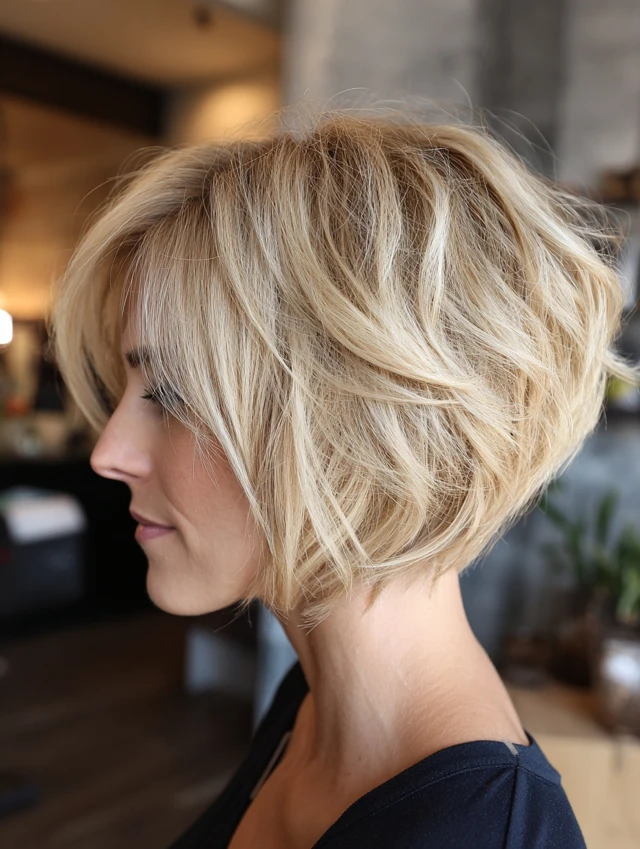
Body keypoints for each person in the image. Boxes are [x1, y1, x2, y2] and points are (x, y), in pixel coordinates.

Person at [48, 108, 639, 848]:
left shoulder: (481, 835)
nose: (109, 452)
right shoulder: (314, 705)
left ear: (356, 423)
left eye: (172, 395)